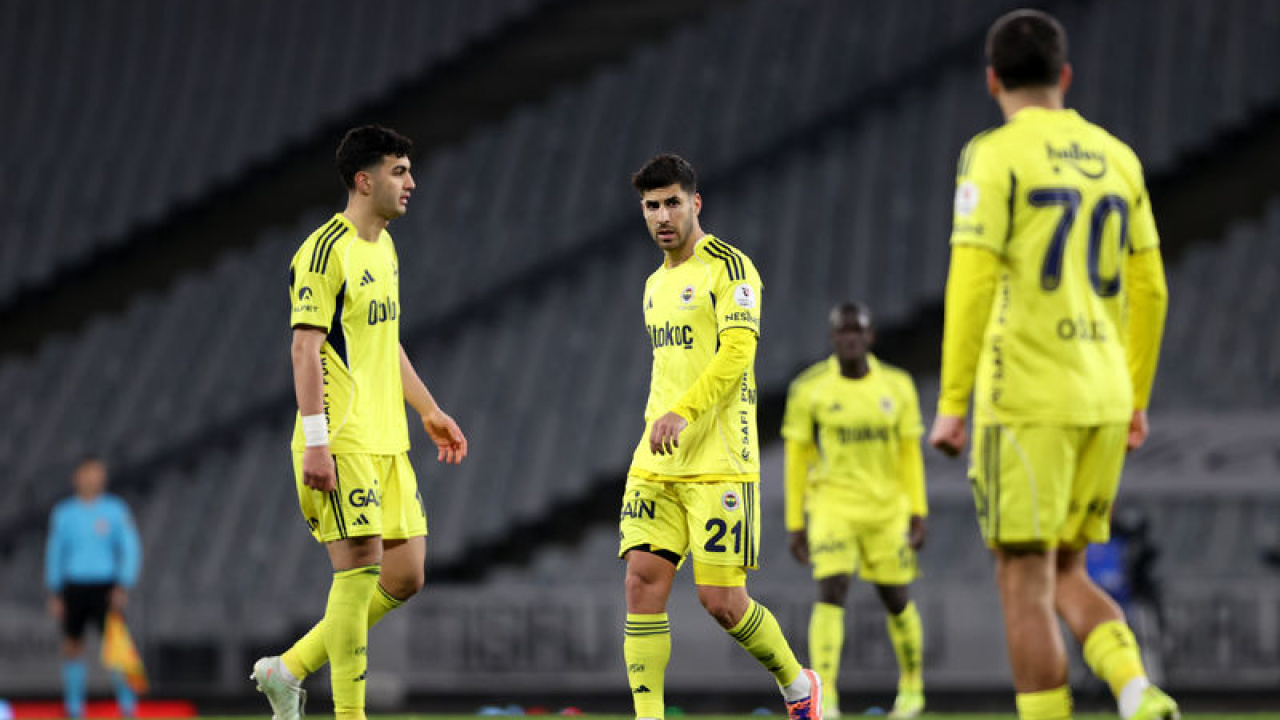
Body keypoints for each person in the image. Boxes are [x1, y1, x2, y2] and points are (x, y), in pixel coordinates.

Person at [928, 9, 1175, 720]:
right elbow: (1151, 290)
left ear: (992, 80)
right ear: (1064, 75)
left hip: (1028, 399)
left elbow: (972, 281)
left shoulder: (993, 154)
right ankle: (1137, 690)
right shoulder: (1117, 157)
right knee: (1067, 570)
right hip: (1104, 395)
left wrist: (952, 403)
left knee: (1022, 580)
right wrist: (1135, 395)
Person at [251, 125, 468, 720]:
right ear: (363, 180)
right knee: (359, 570)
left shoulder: (385, 248)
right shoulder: (325, 251)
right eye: (400, 171)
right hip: (341, 436)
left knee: (406, 574)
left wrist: (428, 409)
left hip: (386, 438)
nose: (411, 182)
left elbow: (384, 341)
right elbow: (304, 349)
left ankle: (286, 670)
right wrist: (316, 442)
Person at [619, 154, 822, 720]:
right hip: (656, 459)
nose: (663, 216)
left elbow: (737, 353)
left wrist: (683, 412)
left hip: (719, 460)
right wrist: (664, 419)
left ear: (695, 203)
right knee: (640, 582)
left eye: (673, 203)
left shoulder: (730, 268)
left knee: (722, 602)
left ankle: (798, 686)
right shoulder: (654, 284)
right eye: (652, 206)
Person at [782, 303, 927, 719]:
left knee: (896, 598)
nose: (849, 339)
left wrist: (918, 511)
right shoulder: (809, 388)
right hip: (833, 505)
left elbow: (910, 453)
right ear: (832, 338)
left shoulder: (898, 386)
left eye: (856, 331)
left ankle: (913, 688)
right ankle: (826, 697)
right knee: (831, 590)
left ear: (870, 336)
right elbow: (797, 457)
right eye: (842, 332)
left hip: (887, 508)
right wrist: (795, 522)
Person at [45, 458, 142, 719]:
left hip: (106, 586)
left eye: (98, 474)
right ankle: (74, 708)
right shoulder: (64, 513)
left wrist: (123, 583)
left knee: (118, 647)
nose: (94, 479)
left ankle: (128, 707)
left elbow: (130, 548)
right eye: (88, 473)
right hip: (74, 586)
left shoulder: (115, 510)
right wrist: (55, 590)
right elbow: (55, 552)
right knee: (72, 646)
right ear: (77, 477)